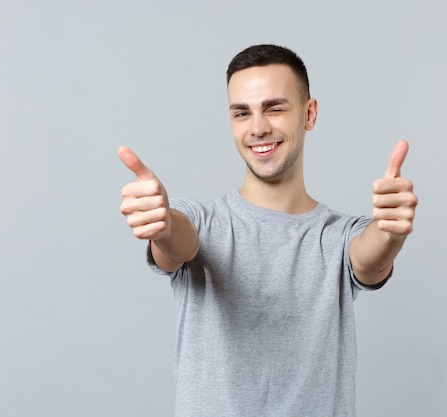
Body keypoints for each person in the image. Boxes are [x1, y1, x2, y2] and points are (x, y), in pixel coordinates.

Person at [118, 44, 417, 417]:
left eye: (274, 108)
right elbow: (178, 244)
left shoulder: (339, 235)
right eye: (242, 113)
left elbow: (368, 257)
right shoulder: (197, 218)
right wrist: (161, 225)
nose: (258, 128)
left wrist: (390, 233)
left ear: (309, 114)